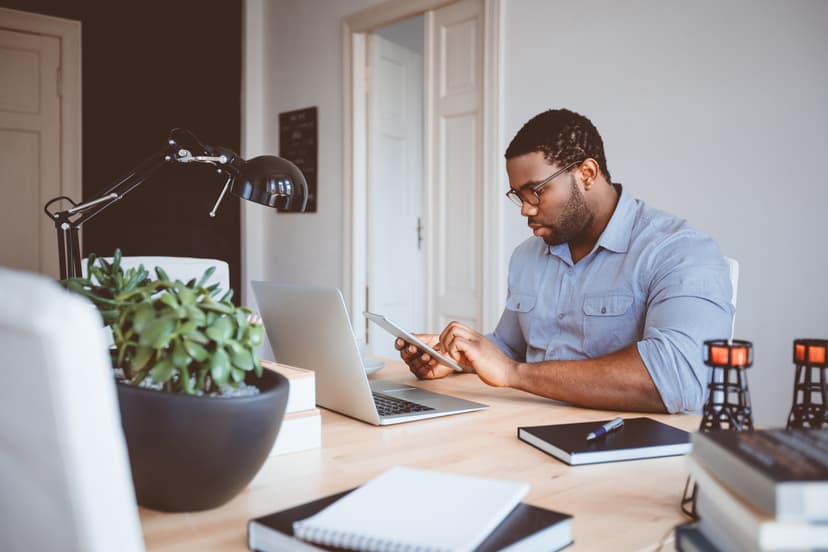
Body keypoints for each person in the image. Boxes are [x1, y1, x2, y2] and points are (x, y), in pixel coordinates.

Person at [396, 108, 733, 413]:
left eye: (536, 191)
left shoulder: (678, 251)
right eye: (518, 196)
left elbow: (678, 378)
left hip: (626, 450)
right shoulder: (527, 256)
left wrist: (513, 374)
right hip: (520, 427)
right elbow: (510, 348)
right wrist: (456, 356)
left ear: (587, 172)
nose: (526, 209)